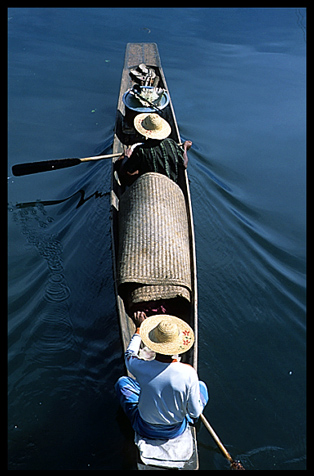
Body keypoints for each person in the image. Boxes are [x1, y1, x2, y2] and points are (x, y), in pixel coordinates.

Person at [115, 312, 208, 440]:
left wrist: (138, 330)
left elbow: (129, 354)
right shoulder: (189, 373)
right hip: (175, 431)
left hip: (144, 427)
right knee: (201, 387)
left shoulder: (140, 367)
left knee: (123, 383)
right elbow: (195, 413)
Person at [117, 113, 192, 186]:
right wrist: (185, 147)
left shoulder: (141, 150)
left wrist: (127, 157)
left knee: (120, 164)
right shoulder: (171, 143)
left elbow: (124, 170)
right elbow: (184, 164)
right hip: (171, 183)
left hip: (151, 184)